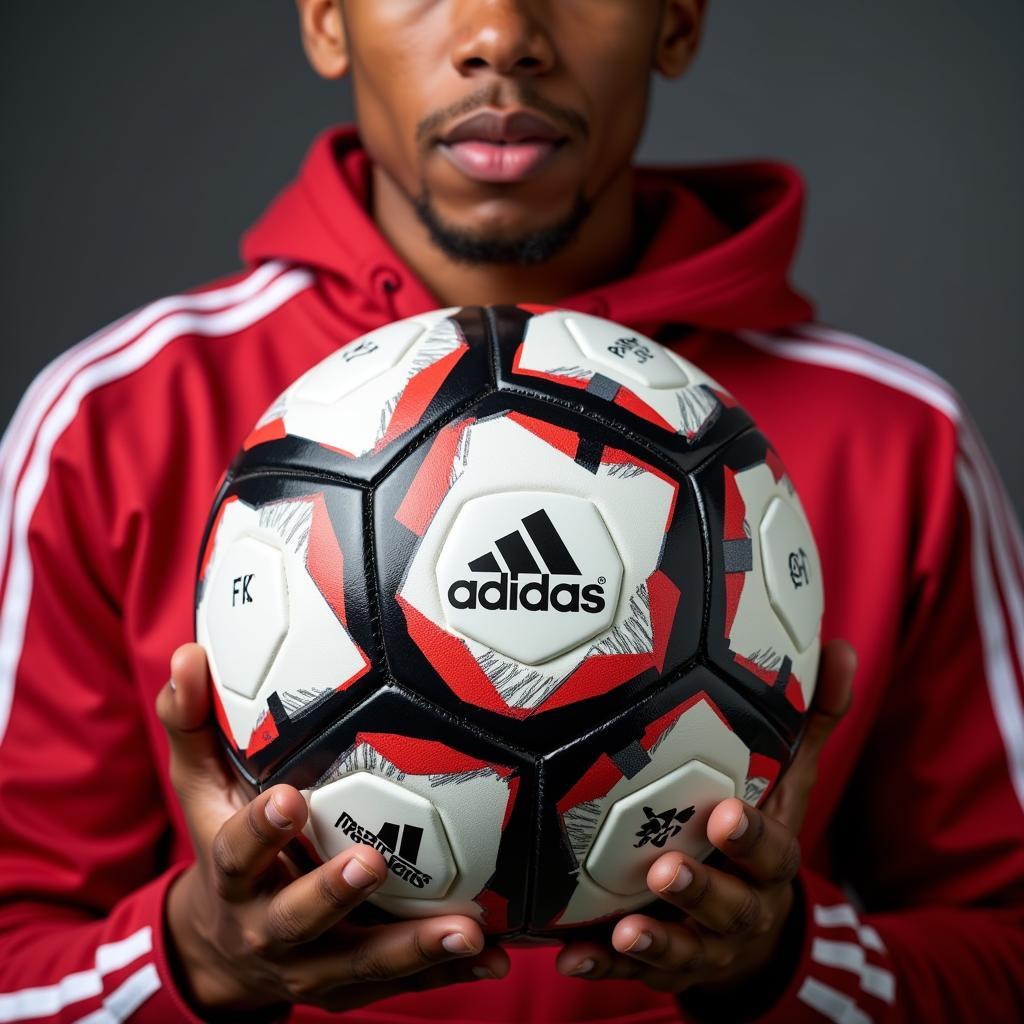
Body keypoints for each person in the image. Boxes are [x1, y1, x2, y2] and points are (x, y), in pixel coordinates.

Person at [0, 1, 1021, 1021]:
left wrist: (785, 959)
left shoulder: (898, 436)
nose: (502, 33)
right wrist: (196, 962)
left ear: (675, 23)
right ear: (324, 21)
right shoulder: (112, 420)